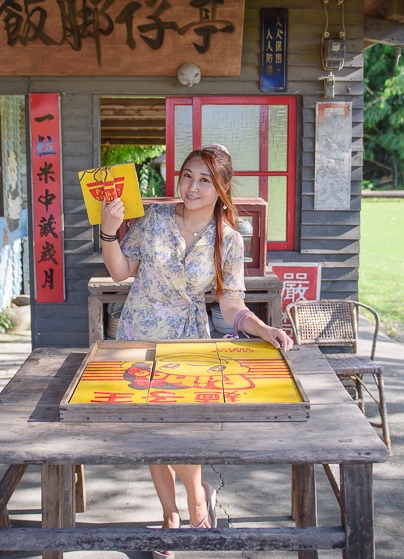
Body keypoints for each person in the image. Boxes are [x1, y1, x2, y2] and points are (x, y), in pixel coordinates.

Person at [100, 144, 293, 557]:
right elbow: (119, 272)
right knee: (152, 433)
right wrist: (107, 230)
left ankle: (195, 493)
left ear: (221, 187)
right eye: (187, 175)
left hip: (189, 340)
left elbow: (232, 303)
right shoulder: (152, 220)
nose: (193, 186)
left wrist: (262, 329)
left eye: (205, 179)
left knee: (184, 429)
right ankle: (170, 515)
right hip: (139, 335)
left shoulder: (228, 239)